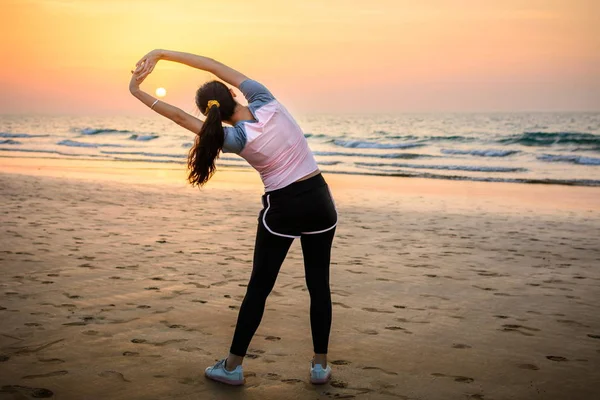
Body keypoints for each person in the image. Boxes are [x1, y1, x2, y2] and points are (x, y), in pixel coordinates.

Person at [129, 50, 338, 386]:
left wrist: (136, 91)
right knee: (319, 285)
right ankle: (319, 367)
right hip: (319, 201)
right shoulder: (264, 98)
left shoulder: (235, 138)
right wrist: (161, 53)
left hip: (282, 209)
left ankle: (232, 367)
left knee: (259, 288)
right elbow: (213, 65)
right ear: (233, 93)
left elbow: (181, 119)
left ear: (214, 117)